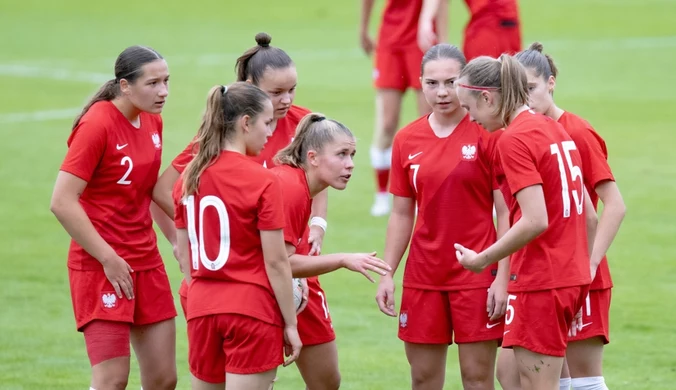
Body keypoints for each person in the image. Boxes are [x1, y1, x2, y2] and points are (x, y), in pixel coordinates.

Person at [152, 32, 328, 317]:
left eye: (292, 89)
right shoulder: (225, 131)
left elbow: (317, 178)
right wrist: (185, 238)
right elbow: (164, 190)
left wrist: (318, 224)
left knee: (324, 361)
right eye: (276, 92)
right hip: (242, 274)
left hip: (295, 266)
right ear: (250, 87)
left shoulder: (303, 122)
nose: (286, 100)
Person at [453, 54, 598, 390]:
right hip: (564, 277)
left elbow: (535, 220)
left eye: (469, 107)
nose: (470, 117)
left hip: (541, 280)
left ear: (487, 97)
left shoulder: (514, 139)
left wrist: (482, 259)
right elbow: (589, 216)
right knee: (511, 375)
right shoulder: (552, 127)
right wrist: (576, 278)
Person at [491, 42, 626, 390]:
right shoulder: (521, 135)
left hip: (577, 269)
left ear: (550, 83)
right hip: (543, 272)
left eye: (531, 88)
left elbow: (613, 205)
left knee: (583, 381)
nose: (525, 97)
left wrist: (590, 265)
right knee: (513, 372)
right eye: (518, 90)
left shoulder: (575, 131)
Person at [374, 43, 509, 390]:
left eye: (451, 82)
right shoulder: (406, 139)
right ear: (420, 83)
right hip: (424, 276)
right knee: (423, 380)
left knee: (477, 379)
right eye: (432, 83)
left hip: (476, 273)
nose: (443, 92)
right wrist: (388, 273)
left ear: (465, 83)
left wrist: (501, 278)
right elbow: (402, 213)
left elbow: (506, 210)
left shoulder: (487, 134)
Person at [50, 45, 177, 390]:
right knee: (111, 381)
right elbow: (62, 201)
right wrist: (108, 258)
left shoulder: (153, 120)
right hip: (100, 264)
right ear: (124, 86)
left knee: (164, 379)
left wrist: (178, 241)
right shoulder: (97, 123)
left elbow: (148, 190)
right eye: (153, 83)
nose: (163, 91)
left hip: (145, 260)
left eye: (166, 81)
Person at [173, 82, 302, 389]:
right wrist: (291, 324)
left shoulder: (188, 178)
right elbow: (276, 262)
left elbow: (185, 258)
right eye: (266, 122)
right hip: (250, 311)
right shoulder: (264, 180)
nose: (270, 132)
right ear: (246, 123)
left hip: (202, 311)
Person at [272, 112, 392, 390]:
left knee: (327, 381)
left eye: (352, 155)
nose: (350, 165)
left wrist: (319, 224)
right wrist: (343, 259)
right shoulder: (288, 187)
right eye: (341, 155)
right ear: (312, 158)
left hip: (296, 284)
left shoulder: (303, 187)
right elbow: (282, 263)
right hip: (258, 291)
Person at [359, 0, 447, 216]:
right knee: (387, 124)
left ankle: (426, 192)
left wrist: (428, 23)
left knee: (429, 121)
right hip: (390, 39)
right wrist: (363, 28)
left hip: (420, 38)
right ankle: (381, 195)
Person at [418, 0, 521, 61]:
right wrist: (426, 20)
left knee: (513, 86)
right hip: (487, 28)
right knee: (481, 86)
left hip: (510, 26)